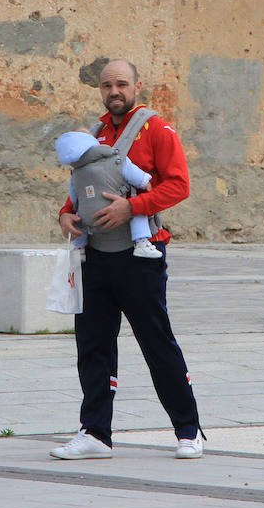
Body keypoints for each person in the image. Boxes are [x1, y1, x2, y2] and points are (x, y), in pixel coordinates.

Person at [51, 58, 204, 460]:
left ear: (137, 87)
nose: (113, 91)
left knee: (157, 343)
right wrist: (65, 214)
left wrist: (132, 209)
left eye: (121, 84)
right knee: (93, 346)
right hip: (96, 256)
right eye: (106, 85)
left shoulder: (158, 129)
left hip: (141, 256)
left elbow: (178, 185)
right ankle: (95, 432)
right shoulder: (96, 132)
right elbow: (80, 186)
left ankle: (189, 430)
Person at [55, 129, 161, 259]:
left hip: (89, 219)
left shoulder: (75, 173)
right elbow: (136, 176)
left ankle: (79, 249)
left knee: (78, 219)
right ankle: (141, 243)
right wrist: (146, 182)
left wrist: (70, 211)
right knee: (137, 209)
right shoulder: (117, 160)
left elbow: (73, 198)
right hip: (118, 214)